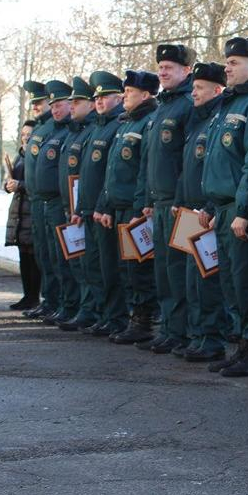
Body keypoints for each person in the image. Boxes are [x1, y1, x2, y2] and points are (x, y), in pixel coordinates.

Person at [202, 35, 248, 377]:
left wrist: (245, 210)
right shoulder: (230, 103)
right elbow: (219, 160)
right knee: (231, 280)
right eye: (228, 62)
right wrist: (210, 203)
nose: (227, 67)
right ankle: (241, 346)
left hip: (242, 209)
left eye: (234, 63)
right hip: (224, 207)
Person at [139, 44, 196, 355]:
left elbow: (187, 159)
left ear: (186, 71)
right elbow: (153, 158)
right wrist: (149, 197)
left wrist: (179, 197)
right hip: (159, 203)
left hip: (177, 203)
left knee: (178, 269)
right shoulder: (163, 106)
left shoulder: (187, 104)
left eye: (169, 67)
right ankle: (170, 328)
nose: (162, 71)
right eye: (160, 67)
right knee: (163, 269)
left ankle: (182, 330)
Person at [173, 61, 231, 362]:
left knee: (208, 280)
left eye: (199, 88)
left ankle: (212, 337)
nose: (193, 93)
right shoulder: (198, 120)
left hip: (207, 212)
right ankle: (197, 335)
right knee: (193, 279)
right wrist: (180, 199)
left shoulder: (219, 118)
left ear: (217, 90)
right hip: (191, 211)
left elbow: (219, 169)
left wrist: (208, 205)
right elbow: (189, 169)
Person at [102, 70, 160, 345]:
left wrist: (140, 208)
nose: (125, 96)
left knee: (139, 269)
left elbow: (143, 172)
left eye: (130, 92)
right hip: (120, 206)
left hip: (135, 209)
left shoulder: (147, 122)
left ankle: (143, 322)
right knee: (126, 269)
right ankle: (132, 319)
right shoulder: (127, 123)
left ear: (146, 95)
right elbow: (113, 171)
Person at [74, 71, 126, 337]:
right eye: (97, 98)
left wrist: (101, 205)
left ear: (119, 97)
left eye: (105, 97)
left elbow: (111, 173)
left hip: (105, 209)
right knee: (95, 267)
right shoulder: (98, 127)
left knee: (111, 267)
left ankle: (115, 317)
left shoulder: (118, 124)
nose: (100, 101)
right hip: (90, 209)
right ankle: (105, 314)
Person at [54, 76, 99, 330]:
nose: (72, 106)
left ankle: (89, 309)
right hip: (68, 206)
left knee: (87, 263)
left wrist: (80, 208)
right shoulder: (76, 132)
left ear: (91, 104)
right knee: (74, 261)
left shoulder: (90, 132)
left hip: (81, 208)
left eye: (78, 101)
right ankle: (79, 307)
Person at [32, 81, 74, 327]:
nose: (55, 110)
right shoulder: (53, 130)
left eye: (60, 105)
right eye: (53, 106)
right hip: (45, 201)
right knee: (48, 256)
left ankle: (67, 304)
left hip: (61, 201)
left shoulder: (69, 131)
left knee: (64, 258)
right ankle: (53, 301)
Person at [20, 80, 60, 321]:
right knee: (45, 257)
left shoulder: (55, 129)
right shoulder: (40, 129)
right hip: (38, 201)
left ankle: (60, 302)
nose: (36, 106)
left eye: (40, 101)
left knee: (57, 258)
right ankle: (50, 300)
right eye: (33, 102)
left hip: (53, 202)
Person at [4, 119, 40, 310]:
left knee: (33, 258)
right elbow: (14, 179)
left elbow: (37, 184)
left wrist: (21, 185)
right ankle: (27, 295)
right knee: (24, 257)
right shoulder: (21, 156)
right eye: (23, 135)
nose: (25, 138)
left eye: (29, 135)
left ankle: (34, 296)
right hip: (19, 212)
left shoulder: (35, 155)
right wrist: (8, 185)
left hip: (31, 211)